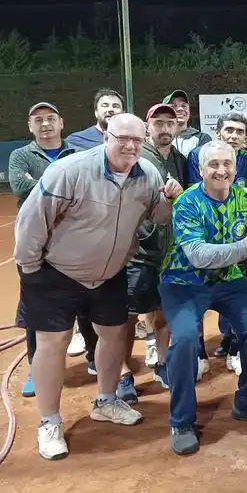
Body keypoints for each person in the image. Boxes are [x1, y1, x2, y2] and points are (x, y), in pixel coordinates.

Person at [14, 112, 182, 460]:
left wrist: (166, 199)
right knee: (52, 344)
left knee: (114, 336)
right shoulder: (68, 171)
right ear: (105, 135)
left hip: (110, 273)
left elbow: (158, 218)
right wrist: (31, 271)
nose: (130, 146)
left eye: (137, 140)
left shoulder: (147, 174)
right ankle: (49, 421)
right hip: (55, 272)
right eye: (123, 138)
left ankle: (106, 401)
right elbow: (32, 221)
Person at [158, 140, 247, 456]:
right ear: (200, 170)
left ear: (236, 167)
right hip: (183, 281)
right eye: (213, 164)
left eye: (227, 163)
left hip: (229, 280)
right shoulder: (187, 202)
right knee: (184, 340)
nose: (221, 170)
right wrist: (245, 249)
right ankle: (182, 421)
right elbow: (197, 255)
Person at [9, 102, 85, 397]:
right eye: (38, 120)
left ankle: (94, 358)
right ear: (30, 126)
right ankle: (34, 367)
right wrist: (65, 186)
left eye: (50, 118)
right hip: (36, 244)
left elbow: (85, 190)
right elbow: (20, 186)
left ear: (61, 122)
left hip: (75, 244)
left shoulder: (77, 154)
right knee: (36, 311)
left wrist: (43, 185)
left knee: (86, 302)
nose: (45, 124)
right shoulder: (21, 156)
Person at [186, 111, 247, 374]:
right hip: (202, 240)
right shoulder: (197, 155)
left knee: (237, 300)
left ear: (246, 136)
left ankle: (233, 349)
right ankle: (198, 353)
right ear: (218, 132)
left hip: (238, 240)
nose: (234, 135)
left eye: (240, 131)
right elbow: (194, 194)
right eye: (229, 130)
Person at [134, 103, 188, 390]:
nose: (165, 128)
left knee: (166, 308)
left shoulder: (181, 159)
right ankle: (123, 376)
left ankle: (163, 362)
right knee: (127, 315)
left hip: (171, 249)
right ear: (148, 126)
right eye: (159, 123)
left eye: (170, 123)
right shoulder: (137, 156)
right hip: (140, 250)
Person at [162, 90, 213, 155]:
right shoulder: (158, 139)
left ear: (189, 111)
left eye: (184, 106)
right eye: (173, 106)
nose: (180, 109)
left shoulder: (202, 138)